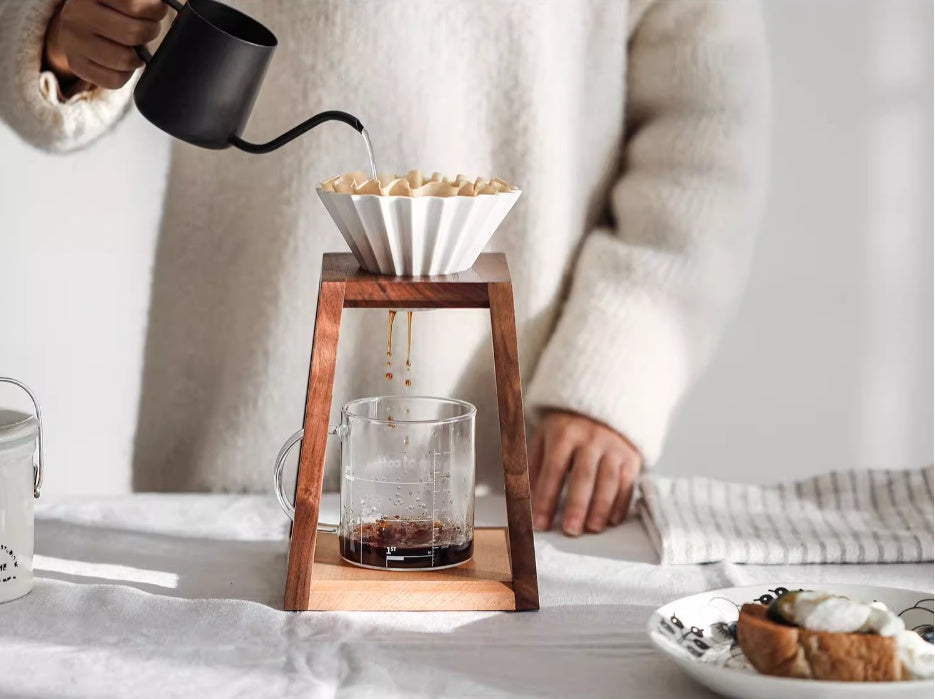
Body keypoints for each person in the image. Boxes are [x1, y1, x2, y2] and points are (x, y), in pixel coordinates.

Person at [0, 0, 768, 536]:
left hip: (517, 456)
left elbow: (706, 130)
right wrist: (64, 40)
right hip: (230, 431)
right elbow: (71, 31)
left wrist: (613, 372)